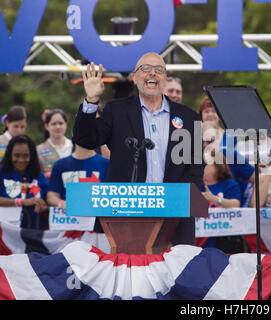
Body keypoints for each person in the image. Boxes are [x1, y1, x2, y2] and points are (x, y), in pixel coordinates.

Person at [73, 52, 204, 245]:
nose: (152, 73)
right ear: (134, 78)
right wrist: (91, 101)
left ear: (165, 79)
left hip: (175, 220)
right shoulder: (116, 110)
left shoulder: (190, 118)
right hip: (126, 218)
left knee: (177, 274)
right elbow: (85, 140)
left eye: (159, 70)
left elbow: (195, 169)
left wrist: (174, 201)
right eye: (145, 69)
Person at [0, 135, 49, 229]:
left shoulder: (39, 176)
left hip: (35, 234)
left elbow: (49, 200)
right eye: (16, 155)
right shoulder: (1, 172)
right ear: (10, 154)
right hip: (6, 236)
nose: (21, 160)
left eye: (25, 156)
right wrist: (21, 202)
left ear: (32, 156)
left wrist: (44, 206)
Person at [198, 152, 243, 252]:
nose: (202, 167)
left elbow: (236, 204)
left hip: (223, 238)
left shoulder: (230, 184)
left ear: (218, 166)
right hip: (200, 238)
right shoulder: (196, 184)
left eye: (206, 164)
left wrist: (214, 199)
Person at [47, 143, 109, 211]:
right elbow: (52, 194)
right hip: (69, 218)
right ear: (73, 133)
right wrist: (62, 203)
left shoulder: (107, 164)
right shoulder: (60, 165)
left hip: (98, 217)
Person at [37, 109, 73, 179]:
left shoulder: (74, 147)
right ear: (46, 126)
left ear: (66, 124)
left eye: (61, 123)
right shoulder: (38, 150)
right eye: (54, 124)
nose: (58, 127)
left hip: (72, 188)